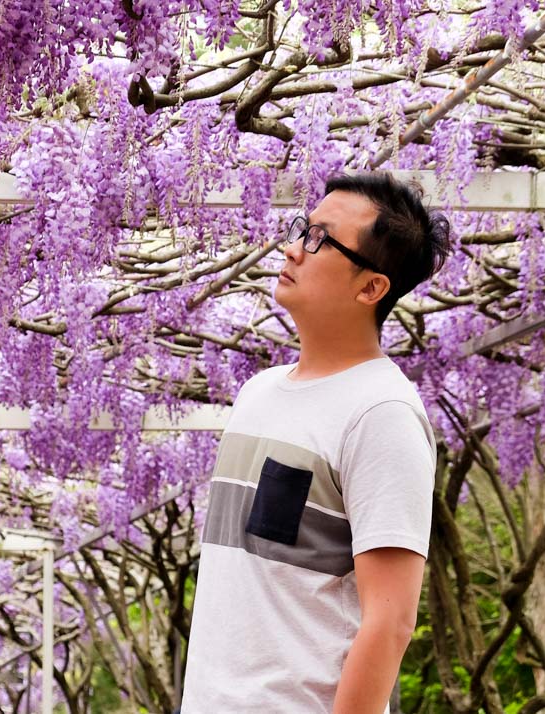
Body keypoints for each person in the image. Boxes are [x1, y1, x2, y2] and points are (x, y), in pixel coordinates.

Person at [179, 173, 451, 713]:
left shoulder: (381, 413)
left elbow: (392, 621)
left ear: (372, 287)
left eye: (319, 239)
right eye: (302, 229)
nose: (292, 249)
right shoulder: (257, 393)